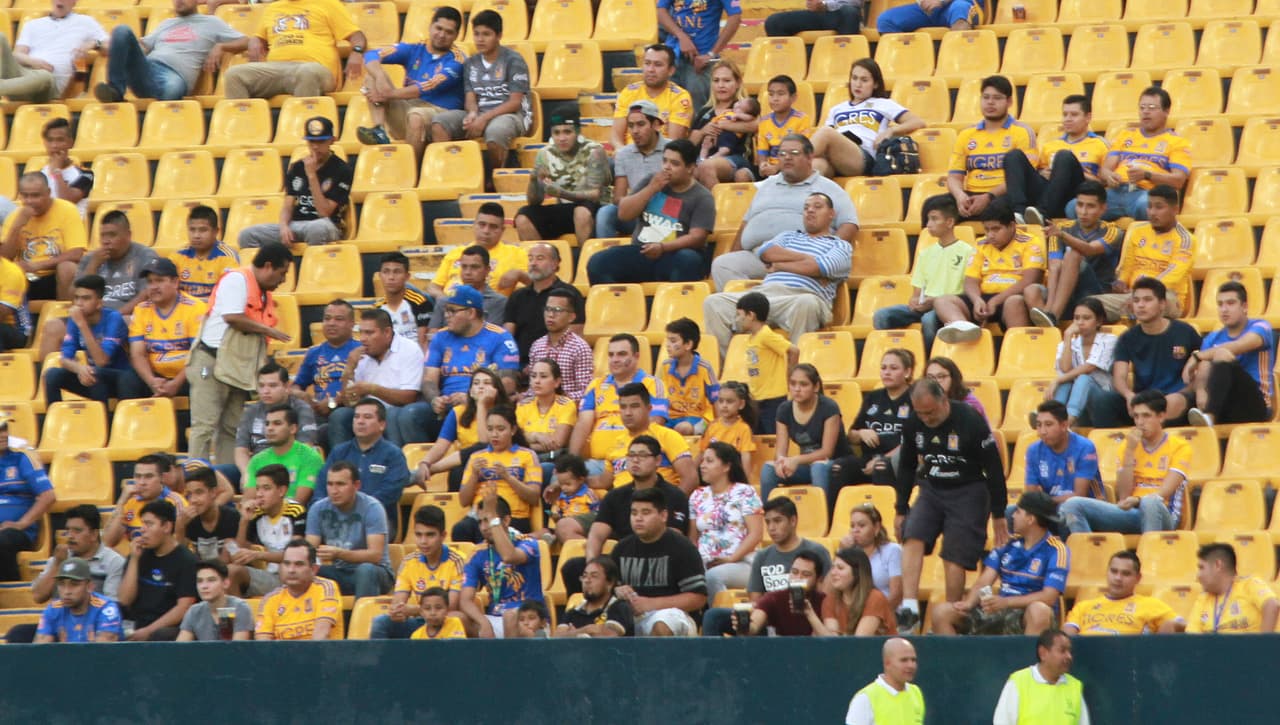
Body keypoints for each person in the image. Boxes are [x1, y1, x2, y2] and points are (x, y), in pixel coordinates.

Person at [894, 378, 1007, 634]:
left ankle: (951, 613)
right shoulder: (914, 422)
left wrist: (999, 513)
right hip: (932, 487)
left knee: (954, 556)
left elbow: (994, 468)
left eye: (931, 412)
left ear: (944, 400)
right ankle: (910, 608)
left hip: (968, 490)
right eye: (921, 413)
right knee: (912, 535)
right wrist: (901, 508)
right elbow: (907, 466)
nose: (926, 419)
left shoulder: (970, 419)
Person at [704, 192, 853, 354]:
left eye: (817, 207)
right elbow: (766, 252)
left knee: (806, 303)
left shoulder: (840, 246)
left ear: (831, 214)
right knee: (714, 303)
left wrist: (780, 265)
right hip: (765, 295)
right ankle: (727, 368)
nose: (810, 210)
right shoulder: (788, 236)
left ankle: (797, 371)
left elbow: (822, 267)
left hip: (801, 297)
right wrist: (807, 259)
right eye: (806, 207)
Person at [187, 242, 292, 466]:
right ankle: (196, 480)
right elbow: (232, 317)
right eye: (281, 273)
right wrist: (267, 330)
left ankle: (225, 476)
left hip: (237, 366)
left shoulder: (263, 294)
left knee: (231, 428)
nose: (282, 280)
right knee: (204, 425)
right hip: (212, 360)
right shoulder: (238, 279)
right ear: (268, 266)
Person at [710, 133, 858, 291]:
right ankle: (754, 310)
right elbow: (747, 223)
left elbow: (849, 223)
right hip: (757, 255)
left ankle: (760, 308)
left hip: (798, 258)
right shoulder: (766, 185)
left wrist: (822, 257)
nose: (787, 158)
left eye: (794, 153)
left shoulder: (828, 188)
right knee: (723, 264)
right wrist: (735, 252)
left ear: (809, 157)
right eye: (782, 154)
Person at [562, 435, 691, 599]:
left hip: (658, 559)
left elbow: (674, 537)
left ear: (658, 460)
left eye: (642, 456)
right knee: (573, 567)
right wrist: (593, 566)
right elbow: (597, 534)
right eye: (631, 456)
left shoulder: (674, 495)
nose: (635, 460)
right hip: (623, 559)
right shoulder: (615, 496)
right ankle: (585, 613)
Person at [931, 491, 1068, 637]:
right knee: (942, 612)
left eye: (1018, 512)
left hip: (1026, 613)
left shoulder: (1056, 550)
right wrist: (969, 603)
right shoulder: (1007, 543)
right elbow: (984, 581)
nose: (1013, 516)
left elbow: (1049, 597)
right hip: (1000, 610)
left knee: (1039, 611)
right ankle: (960, 660)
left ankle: (1028, 659)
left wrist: (1006, 602)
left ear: (1030, 519)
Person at [587, 139, 715, 285]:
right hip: (642, 250)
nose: (667, 167)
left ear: (690, 168)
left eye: (675, 164)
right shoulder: (652, 180)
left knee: (688, 260)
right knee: (598, 262)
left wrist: (663, 247)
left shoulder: (702, 197)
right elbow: (623, 214)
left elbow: (697, 238)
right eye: (665, 161)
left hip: (675, 253)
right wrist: (652, 188)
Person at [1067, 387, 1193, 536]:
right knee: (1072, 505)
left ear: (1161, 416)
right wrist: (1129, 452)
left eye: (1146, 416)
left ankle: (1149, 554)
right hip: (1132, 513)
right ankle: (1091, 554)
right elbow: (1123, 496)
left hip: (1165, 514)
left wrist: (1138, 500)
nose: (1140, 422)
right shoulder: (1128, 446)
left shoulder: (1180, 446)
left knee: (1150, 502)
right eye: (1136, 416)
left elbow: (1164, 493)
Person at [355, 6, 466, 165]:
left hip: (439, 114)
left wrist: (388, 94)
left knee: (416, 115)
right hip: (408, 109)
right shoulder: (415, 49)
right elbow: (371, 55)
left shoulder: (457, 60)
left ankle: (411, 170)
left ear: (456, 36)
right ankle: (379, 129)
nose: (441, 35)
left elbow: (428, 86)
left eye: (448, 32)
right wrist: (379, 75)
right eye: (438, 28)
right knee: (372, 77)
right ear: (430, 26)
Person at [1087, 277, 1201, 428]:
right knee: (1102, 400)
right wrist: (1129, 396)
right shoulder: (1127, 337)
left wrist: (1186, 390)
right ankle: (1110, 444)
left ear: (1162, 304)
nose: (1140, 305)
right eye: (1136, 300)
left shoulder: (1185, 331)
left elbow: (1205, 363)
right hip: (1142, 399)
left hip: (1177, 397)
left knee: (1172, 403)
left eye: (1147, 300)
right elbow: (1119, 377)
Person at [429, 10, 531, 170]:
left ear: (499, 36)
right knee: (440, 123)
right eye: (476, 34)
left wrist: (484, 119)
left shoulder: (514, 60)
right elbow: (470, 97)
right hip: (481, 113)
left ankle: (495, 177)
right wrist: (472, 114)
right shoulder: (471, 63)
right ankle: (450, 172)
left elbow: (515, 103)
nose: (480, 39)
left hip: (511, 115)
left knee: (495, 132)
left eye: (486, 34)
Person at [1069, 87, 1189, 222]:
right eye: (1142, 107)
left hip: (1146, 193)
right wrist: (1109, 176)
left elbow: (1179, 180)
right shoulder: (1125, 135)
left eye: (1151, 107)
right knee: (1073, 207)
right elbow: (1105, 170)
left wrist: (1147, 175)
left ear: (1166, 111)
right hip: (1115, 191)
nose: (1146, 112)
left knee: (1147, 207)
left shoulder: (1177, 142)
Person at [933, 199, 1045, 342]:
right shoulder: (981, 244)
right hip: (984, 297)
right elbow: (970, 280)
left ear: (1012, 226)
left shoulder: (1030, 242)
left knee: (1014, 302)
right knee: (942, 301)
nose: (990, 235)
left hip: (1011, 296)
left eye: (996, 229)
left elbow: (1030, 279)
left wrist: (996, 301)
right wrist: (976, 299)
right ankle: (964, 328)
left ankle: (1018, 346)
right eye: (987, 229)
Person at [416, 285, 520, 438]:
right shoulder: (441, 337)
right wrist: (435, 399)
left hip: (482, 405)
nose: (446, 316)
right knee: (408, 415)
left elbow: (508, 383)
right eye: (445, 310)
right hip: (447, 404)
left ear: (471, 312)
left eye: (452, 310)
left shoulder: (500, 337)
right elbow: (429, 379)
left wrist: (472, 397)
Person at [94, 0, 246, 102]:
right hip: (147, 68)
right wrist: (121, 47)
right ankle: (115, 91)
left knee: (173, 88)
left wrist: (221, 46)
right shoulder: (166, 23)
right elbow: (144, 46)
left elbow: (246, 41)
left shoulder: (212, 22)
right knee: (122, 30)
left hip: (175, 75)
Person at [1083, 185, 1194, 324]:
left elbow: (1173, 275)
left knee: (1146, 304)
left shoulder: (1185, 239)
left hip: (1167, 296)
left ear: (1175, 210)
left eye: (1159, 207)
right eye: (1149, 206)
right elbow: (1127, 265)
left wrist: (1141, 294)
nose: (1152, 212)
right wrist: (1122, 282)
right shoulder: (1137, 231)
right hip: (1132, 295)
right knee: (1088, 305)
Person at [874, 195, 972, 350]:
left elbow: (966, 291)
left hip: (948, 307)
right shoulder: (925, 253)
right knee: (883, 315)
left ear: (950, 222)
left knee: (929, 319)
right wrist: (915, 302)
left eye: (934, 219)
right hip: (926, 305)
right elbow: (917, 292)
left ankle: (931, 359)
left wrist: (935, 301)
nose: (928, 224)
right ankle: (889, 357)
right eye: (928, 219)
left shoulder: (968, 251)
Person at [239, 117, 352, 248]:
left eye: (321, 141)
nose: (315, 147)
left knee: (317, 229)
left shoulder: (342, 170)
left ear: (332, 140)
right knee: (247, 235)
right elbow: (288, 205)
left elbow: (324, 212)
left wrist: (311, 175)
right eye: (311, 142)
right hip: (296, 224)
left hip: (327, 224)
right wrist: (283, 227)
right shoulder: (297, 167)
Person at [611, 487, 707, 636]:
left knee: (662, 624)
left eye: (646, 512)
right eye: (634, 513)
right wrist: (617, 591)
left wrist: (651, 604)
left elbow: (698, 598)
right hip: (631, 616)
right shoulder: (621, 548)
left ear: (663, 516)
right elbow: (609, 588)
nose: (638, 518)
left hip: (674, 615)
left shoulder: (682, 548)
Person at [223, 0, 366, 100]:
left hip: (315, 68)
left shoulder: (328, 3)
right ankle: (248, 135)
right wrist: (255, 40)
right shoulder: (273, 8)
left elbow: (357, 36)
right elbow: (259, 37)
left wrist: (357, 51)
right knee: (234, 75)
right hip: (276, 68)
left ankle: (306, 133)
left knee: (307, 72)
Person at [1029, 182, 1125, 329]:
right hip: (1063, 295)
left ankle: (1053, 318)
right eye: (1080, 205)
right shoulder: (1062, 228)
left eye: (1090, 206)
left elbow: (1089, 250)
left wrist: (1062, 236)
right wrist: (1048, 306)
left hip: (1095, 293)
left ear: (1103, 208)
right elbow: (1054, 267)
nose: (1083, 212)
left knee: (1073, 254)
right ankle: (1050, 324)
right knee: (1031, 291)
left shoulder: (1113, 231)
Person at [811, 58, 926, 179]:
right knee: (816, 166)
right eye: (854, 78)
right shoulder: (837, 109)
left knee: (825, 132)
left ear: (875, 84)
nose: (858, 84)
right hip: (836, 158)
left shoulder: (883, 103)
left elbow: (917, 122)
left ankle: (795, 160)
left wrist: (891, 131)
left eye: (864, 80)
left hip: (863, 156)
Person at [569, 333, 669, 468]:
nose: (614, 359)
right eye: (611, 355)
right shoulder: (596, 385)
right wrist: (570, 463)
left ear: (636, 356)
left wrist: (628, 457)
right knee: (559, 476)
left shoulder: (653, 384)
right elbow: (583, 425)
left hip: (632, 461)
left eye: (621, 354)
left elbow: (655, 424)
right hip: (596, 462)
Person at [330, 308, 425, 449]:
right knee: (340, 415)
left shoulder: (409, 350)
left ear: (387, 333)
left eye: (369, 333)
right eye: (360, 332)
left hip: (399, 411)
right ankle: (342, 467)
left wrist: (371, 389)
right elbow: (350, 402)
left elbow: (409, 397)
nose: (362, 338)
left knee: (393, 415)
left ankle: (395, 464)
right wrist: (349, 368)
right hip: (368, 413)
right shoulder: (359, 355)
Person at [514, 109, 611, 246]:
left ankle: (585, 262)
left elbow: (595, 195)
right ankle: (541, 260)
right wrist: (534, 180)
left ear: (577, 132)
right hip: (566, 209)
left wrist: (560, 193)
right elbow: (534, 201)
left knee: (581, 212)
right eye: (556, 133)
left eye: (567, 132)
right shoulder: (544, 154)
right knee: (523, 216)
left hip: (596, 208)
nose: (562, 138)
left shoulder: (594, 151)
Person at [1004, 95, 1108, 222]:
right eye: (1065, 115)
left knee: (1064, 156)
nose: (1068, 119)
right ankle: (1018, 213)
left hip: (1076, 196)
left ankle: (1042, 213)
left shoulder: (1100, 144)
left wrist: (1081, 172)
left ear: (1088, 117)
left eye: (1074, 115)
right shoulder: (1050, 146)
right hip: (1049, 193)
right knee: (1013, 156)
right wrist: (1043, 173)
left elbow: (1104, 184)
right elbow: (1038, 176)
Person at [1185, 280, 1274, 428]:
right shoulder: (1212, 338)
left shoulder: (1260, 326)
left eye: (1230, 303)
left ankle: (1210, 417)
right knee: (1207, 367)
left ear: (1244, 307)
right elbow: (1204, 366)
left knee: (1221, 354)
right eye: (1220, 304)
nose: (1224, 309)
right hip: (1225, 404)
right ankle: (1207, 414)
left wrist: (1196, 356)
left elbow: (1238, 346)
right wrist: (1201, 391)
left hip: (1256, 404)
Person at [369, 505, 466, 640]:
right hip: (419, 622)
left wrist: (414, 610)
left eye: (430, 535)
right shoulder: (409, 562)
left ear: (443, 535)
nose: (423, 541)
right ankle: (380, 661)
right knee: (381, 622)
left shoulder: (457, 561)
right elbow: (398, 602)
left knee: (456, 617)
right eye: (418, 535)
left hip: (444, 621)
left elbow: (451, 605)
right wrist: (397, 611)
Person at [947, 76, 1036, 221]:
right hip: (971, 194)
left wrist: (988, 197)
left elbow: (1023, 177)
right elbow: (954, 177)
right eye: (986, 97)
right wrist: (960, 196)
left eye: (997, 98)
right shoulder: (966, 134)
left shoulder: (1022, 131)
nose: (990, 102)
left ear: (1009, 102)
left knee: (999, 208)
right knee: (934, 207)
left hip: (1003, 195)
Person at [761, 364, 853, 501]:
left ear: (815, 387)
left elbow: (826, 452)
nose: (797, 389)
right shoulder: (784, 409)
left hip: (836, 464)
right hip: (807, 465)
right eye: (793, 384)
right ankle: (769, 516)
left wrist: (796, 460)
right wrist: (781, 462)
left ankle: (824, 518)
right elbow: (780, 450)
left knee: (818, 467)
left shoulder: (829, 407)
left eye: (803, 384)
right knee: (769, 469)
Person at [458, 492, 543, 638]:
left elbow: (509, 556)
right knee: (457, 618)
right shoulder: (477, 553)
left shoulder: (527, 542)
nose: (484, 527)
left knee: (510, 617)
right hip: (495, 619)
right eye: (480, 521)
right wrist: (483, 622)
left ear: (506, 520)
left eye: (488, 520)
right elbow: (465, 600)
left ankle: (510, 661)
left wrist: (493, 519)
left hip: (528, 620)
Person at [305, 462, 394, 599]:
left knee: (366, 570)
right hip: (340, 571)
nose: (334, 491)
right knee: (308, 571)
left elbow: (375, 556)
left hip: (376, 573)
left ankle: (362, 620)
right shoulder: (318, 508)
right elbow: (308, 549)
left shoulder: (372, 507)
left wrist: (339, 553)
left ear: (356, 485)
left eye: (341, 484)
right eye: (330, 484)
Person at [453, 406, 542, 542]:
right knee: (461, 529)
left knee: (489, 531)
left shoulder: (527, 456)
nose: (494, 434)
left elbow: (533, 497)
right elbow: (463, 501)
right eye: (490, 429)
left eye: (500, 429)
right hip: (480, 517)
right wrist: (474, 476)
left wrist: (508, 477)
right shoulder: (476, 457)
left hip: (512, 517)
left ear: (513, 430)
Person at [322, 397, 410, 533]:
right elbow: (322, 486)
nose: (360, 422)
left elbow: (389, 493)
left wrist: (356, 510)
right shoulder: (339, 452)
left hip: (377, 520)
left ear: (382, 424)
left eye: (367, 417)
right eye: (356, 417)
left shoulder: (393, 454)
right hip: (336, 518)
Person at [43, 274, 135, 404]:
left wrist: (82, 324)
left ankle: (102, 421)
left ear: (99, 303)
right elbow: (65, 359)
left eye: (86, 298)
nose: (79, 303)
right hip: (95, 377)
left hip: (122, 379)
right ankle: (52, 419)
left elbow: (101, 361)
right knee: (52, 374)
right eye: (77, 298)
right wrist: (80, 369)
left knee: (95, 372)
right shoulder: (76, 320)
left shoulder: (113, 318)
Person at [417, 367, 513, 490]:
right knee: (457, 472)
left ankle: (434, 469)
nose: (481, 387)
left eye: (487, 383)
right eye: (476, 383)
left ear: (497, 390)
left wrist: (481, 405)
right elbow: (441, 445)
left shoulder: (505, 412)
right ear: (470, 390)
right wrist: (425, 462)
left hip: (499, 462)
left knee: (482, 448)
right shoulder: (458, 412)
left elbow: (484, 444)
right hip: (468, 464)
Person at [124, 258, 206, 400]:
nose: (154, 287)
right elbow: (138, 354)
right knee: (127, 379)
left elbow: (199, 355)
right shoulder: (141, 310)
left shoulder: (195, 308)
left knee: (203, 374)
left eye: (159, 280)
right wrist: (151, 381)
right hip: (155, 376)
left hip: (186, 375)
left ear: (175, 282)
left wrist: (175, 384)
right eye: (150, 282)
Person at [690, 442, 763, 601]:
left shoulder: (745, 492)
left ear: (726, 466)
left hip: (742, 562)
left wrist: (732, 558)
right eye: (702, 461)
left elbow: (756, 534)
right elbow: (693, 539)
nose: (702, 466)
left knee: (713, 576)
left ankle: (718, 618)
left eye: (709, 461)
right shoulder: (697, 496)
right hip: (705, 562)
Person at [116, 500, 198, 641]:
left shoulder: (187, 560)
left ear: (166, 526)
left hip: (167, 629)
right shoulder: (138, 554)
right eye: (142, 524)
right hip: (136, 624)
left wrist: (148, 631)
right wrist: (134, 559)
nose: (142, 529)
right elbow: (124, 600)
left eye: (149, 524)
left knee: (160, 635)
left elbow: (184, 607)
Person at [228, 362, 318, 487]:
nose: (265, 391)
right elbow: (241, 450)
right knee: (215, 474)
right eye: (261, 386)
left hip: (286, 468)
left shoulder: (301, 409)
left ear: (286, 386)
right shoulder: (251, 411)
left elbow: (304, 448)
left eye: (272, 385)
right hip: (256, 466)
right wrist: (247, 472)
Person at [1019, 400, 1102, 535]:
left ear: (1064, 425)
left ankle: (1072, 554)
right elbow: (1031, 495)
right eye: (1039, 425)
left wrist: (1046, 501)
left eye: (1048, 425)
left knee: (1068, 510)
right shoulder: (1033, 450)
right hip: (1050, 509)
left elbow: (1079, 495)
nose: (1042, 431)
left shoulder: (1085, 447)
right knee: (1013, 513)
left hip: (1085, 508)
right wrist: (1042, 503)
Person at [2, 172, 86, 302]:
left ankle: (62, 315)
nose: (30, 201)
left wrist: (38, 265)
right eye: (25, 196)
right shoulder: (15, 216)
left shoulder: (67, 210)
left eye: (36, 196)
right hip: (24, 277)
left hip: (54, 275)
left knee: (67, 267)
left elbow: (76, 253)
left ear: (48, 192)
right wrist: (16, 227)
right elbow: (5, 259)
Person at [0, 0, 106, 101]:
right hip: (22, 75)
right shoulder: (33, 24)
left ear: (74, 1)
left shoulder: (85, 22)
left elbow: (109, 45)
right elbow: (17, 55)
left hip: (48, 85)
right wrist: (33, 62)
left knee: (44, 77)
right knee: (1, 37)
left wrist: (94, 43)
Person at [598, 384, 696, 493]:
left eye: (634, 406)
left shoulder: (667, 436)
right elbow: (604, 482)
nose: (628, 413)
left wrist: (670, 506)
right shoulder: (616, 442)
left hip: (656, 505)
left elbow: (690, 478)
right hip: (622, 505)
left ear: (649, 409)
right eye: (623, 407)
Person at [838, 348, 915, 487]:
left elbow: (914, 443)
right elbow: (850, 436)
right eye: (883, 368)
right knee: (839, 468)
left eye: (893, 368)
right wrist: (861, 433)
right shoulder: (873, 397)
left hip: (898, 461)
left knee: (881, 467)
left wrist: (884, 459)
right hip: (868, 459)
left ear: (907, 372)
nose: (887, 372)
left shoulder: (915, 399)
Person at [229, 464, 307, 598]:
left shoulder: (296, 511)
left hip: (294, 575)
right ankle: (239, 616)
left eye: (266, 488)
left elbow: (295, 555)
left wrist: (258, 555)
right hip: (269, 576)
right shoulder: (256, 513)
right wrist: (244, 521)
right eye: (258, 488)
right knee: (230, 572)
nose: (259, 494)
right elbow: (239, 554)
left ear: (282, 490)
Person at [1064, 550, 1184, 635]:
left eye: (1125, 574)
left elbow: (1182, 625)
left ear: (1138, 578)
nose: (1118, 578)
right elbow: (1066, 637)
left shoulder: (1151, 605)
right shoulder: (1083, 607)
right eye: (1114, 571)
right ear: (1107, 572)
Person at [504, 243, 584, 368]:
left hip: (556, 364)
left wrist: (539, 366)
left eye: (540, 258)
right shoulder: (517, 296)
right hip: (518, 363)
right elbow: (507, 338)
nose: (533, 263)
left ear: (555, 264)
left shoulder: (570, 294)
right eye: (530, 259)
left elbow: (573, 337)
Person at [429, 205, 529, 304]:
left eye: (493, 227)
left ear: (502, 230)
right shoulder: (455, 252)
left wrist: (520, 275)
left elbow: (538, 284)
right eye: (482, 225)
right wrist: (444, 300)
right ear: (474, 225)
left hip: (488, 310)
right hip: (450, 308)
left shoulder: (516, 254)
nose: (486, 231)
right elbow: (434, 286)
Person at [600, 101, 672, 238]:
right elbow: (619, 198)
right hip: (637, 213)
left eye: (641, 124)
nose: (635, 131)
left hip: (667, 214)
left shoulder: (673, 149)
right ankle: (606, 255)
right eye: (631, 126)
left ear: (656, 125)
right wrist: (636, 203)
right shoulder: (623, 154)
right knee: (606, 212)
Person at [29, 505, 124, 607]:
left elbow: (111, 606)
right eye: (68, 530)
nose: (70, 536)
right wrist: (58, 564)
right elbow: (38, 596)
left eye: (77, 531)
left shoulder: (114, 561)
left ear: (94, 534)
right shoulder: (60, 558)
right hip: (60, 620)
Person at [729, 292, 797, 433]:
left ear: (751, 315)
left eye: (740, 315)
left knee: (772, 437)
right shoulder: (751, 338)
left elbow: (793, 350)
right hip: (757, 397)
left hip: (773, 398)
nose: (738, 319)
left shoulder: (766, 335)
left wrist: (791, 377)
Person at [292, 298, 359, 441]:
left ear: (352, 324)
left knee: (338, 417)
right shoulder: (313, 353)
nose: (331, 323)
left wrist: (332, 402)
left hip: (349, 411)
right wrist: (301, 395)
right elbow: (296, 386)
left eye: (339, 319)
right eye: (327, 319)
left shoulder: (360, 351)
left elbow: (360, 389)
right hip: (318, 412)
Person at [657, 0, 741, 111]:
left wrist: (711, 54)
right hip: (672, 54)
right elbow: (660, 10)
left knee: (697, 107)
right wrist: (681, 36)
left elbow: (735, 17)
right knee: (666, 106)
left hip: (701, 59)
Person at [993, 630, 1090, 725]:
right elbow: (1002, 721)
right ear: (1043, 653)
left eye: (1070, 651)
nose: (1069, 656)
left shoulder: (1074, 687)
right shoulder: (1019, 681)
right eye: (1062, 650)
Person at [255, 538, 343, 640]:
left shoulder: (326, 588)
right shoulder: (270, 599)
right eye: (287, 564)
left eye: (299, 564)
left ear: (314, 569)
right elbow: (262, 645)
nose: (291, 570)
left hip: (320, 654)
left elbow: (321, 637)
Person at [0, 420, 55, 582]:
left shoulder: (22, 457)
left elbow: (48, 496)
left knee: (3, 541)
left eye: (4, 430)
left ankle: (10, 592)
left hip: (17, 532)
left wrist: (21, 524)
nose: (3, 435)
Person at [1049, 298, 1117, 426]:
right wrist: (1068, 337)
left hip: (1102, 404)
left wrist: (1057, 380)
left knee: (1083, 379)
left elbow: (1089, 367)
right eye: (1076, 318)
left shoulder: (1109, 340)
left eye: (1086, 318)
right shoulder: (1066, 344)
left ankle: (1067, 422)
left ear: (1098, 321)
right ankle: (1054, 417)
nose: (1080, 322)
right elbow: (1065, 369)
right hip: (1080, 406)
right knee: (1066, 382)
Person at [76, 210, 158, 314]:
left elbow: (146, 294)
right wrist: (92, 267)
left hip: (128, 316)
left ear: (128, 235)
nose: (106, 241)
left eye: (112, 235)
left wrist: (115, 317)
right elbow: (74, 297)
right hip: (93, 317)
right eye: (102, 235)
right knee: (55, 325)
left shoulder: (144, 256)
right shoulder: (90, 259)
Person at [611, 44, 692, 149]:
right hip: (628, 153)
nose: (651, 69)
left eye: (658, 65)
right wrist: (625, 155)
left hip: (661, 158)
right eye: (647, 63)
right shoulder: (628, 92)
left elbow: (673, 142)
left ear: (671, 70)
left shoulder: (680, 97)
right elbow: (615, 137)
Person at [1187, 543, 1280, 634]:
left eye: (1201, 568)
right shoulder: (1202, 599)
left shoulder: (1249, 585)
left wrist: (1263, 644)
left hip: (1250, 648)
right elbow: (1192, 637)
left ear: (1217, 565)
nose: (1198, 575)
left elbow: (1272, 605)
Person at [242, 404, 323, 507]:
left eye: (277, 423)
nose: (270, 428)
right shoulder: (257, 460)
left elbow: (298, 503)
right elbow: (249, 500)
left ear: (293, 428)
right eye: (267, 424)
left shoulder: (309, 456)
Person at [104, 454, 188, 547]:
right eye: (138, 476)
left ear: (162, 478)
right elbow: (109, 543)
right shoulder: (130, 503)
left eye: (148, 476)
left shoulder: (176, 502)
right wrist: (121, 503)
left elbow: (182, 545)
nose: (142, 482)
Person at [692, 71, 758, 188]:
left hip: (736, 158)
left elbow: (758, 124)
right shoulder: (705, 111)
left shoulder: (744, 107)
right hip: (705, 155)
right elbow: (690, 142)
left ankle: (719, 206)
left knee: (706, 167)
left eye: (726, 81)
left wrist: (722, 125)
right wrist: (703, 131)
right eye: (716, 81)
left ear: (738, 83)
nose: (721, 85)